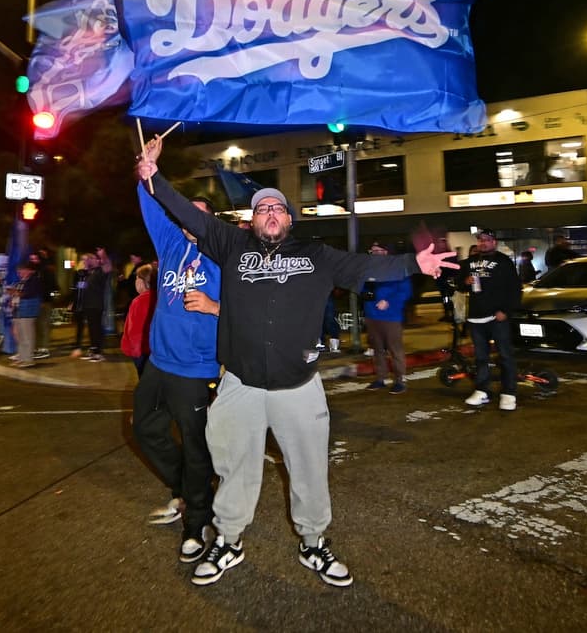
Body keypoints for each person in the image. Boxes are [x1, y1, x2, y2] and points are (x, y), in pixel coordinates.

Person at [136, 136, 458, 588]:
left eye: (278, 209)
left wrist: (412, 264)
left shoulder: (316, 257)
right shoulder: (231, 246)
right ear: (252, 220)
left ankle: (313, 543)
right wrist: (153, 180)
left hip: (298, 386)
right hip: (240, 384)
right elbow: (188, 216)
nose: (270, 214)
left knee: (308, 471)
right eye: (263, 208)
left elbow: (363, 265)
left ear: (289, 219)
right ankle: (228, 539)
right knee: (233, 469)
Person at [133, 185, 223, 566]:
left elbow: (251, 305)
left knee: (196, 445)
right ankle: (186, 488)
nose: (188, 219)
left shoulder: (224, 254)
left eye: (197, 213)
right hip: (158, 363)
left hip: (195, 368)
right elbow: (152, 205)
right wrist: (146, 174)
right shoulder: (170, 242)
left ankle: (197, 523)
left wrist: (214, 305)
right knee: (145, 430)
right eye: (185, 212)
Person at [460, 229, 523, 411]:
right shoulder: (470, 262)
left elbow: (515, 288)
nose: (483, 243)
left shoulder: (504, 262)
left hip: (497, 316)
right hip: (476, 317)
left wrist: (506, 310)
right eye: (480, 240)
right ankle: (482, 390)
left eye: (486, 240)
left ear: (494, 242)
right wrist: (465, 281)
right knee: (481, 357)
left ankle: (509, 393)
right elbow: (458, 283)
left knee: (505, 355)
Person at [363, 242, 413, 394]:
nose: (375, 254)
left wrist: (389, 301)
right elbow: (363, 288)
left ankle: (400, 380)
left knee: (395, 349)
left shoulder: (398, 269)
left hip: (391, 316)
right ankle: (381, 378)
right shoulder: (369, 269)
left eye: (379, 250)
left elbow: (406, 291)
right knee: (377, 349)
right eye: (373, 251)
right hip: (372, 315)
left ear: (386, 252)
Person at [7, 259, 45, 369]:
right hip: (18, 312)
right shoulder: (20, 282)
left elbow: (29, 294)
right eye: (19, 270)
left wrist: (15, 293)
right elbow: (17, 295)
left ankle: (28, 360)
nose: (20, 272)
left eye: (23, 270)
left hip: (27, 312)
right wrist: (13, 297)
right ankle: (22, 358)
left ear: (30, 270)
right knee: (20, 337)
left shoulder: (34, 281)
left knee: (27, 336)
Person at [121, 263, 156, 375]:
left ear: (142, 281)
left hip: (142, 350)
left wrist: (135, 351)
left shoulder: (139, 301)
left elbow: (135, 330)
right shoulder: (161, 298)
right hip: (156, 350)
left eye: (136, 278)